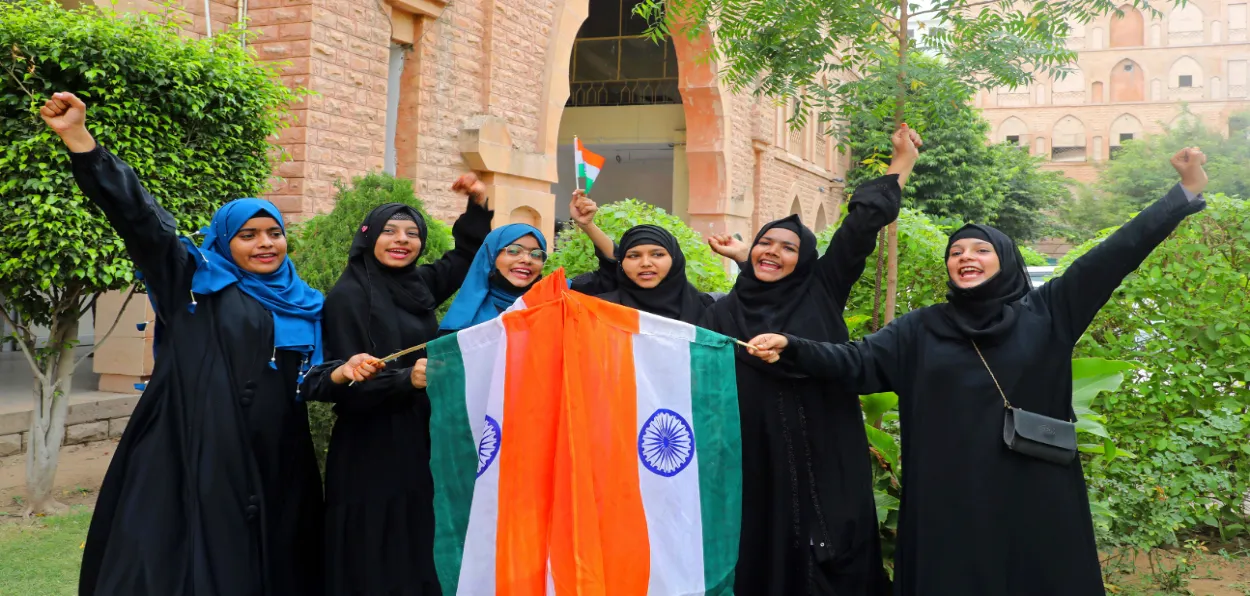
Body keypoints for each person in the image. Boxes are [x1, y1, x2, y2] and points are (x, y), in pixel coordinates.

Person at [744, 148, 1211, 595]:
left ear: (1004, 259)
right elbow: (855, 361)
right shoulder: (921, 328)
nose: (965, 257)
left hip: (1031, 488)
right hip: (947, 496)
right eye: (956, 251)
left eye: (980, 250)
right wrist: (793, 346)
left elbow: (1114, 255)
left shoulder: (1048, 313)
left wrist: (1183, 193)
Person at [41, 91, 379, 596]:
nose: (265, 244)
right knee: (192, 558)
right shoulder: (194, 284)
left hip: (278, 453)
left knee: (275, 560)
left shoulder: (306, 301)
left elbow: (308, 381)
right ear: (225, 242)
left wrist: (340, 371)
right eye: (248, 235)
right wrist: (81, 141)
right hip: (194, 442)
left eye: (273, 233)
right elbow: (141, 220)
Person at [703, 126, 921, 595]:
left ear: (804, 261)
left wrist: (900, 165)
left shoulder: (822, 289)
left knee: (831, 541)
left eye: (788, 247)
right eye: (766, 243)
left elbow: (859, 228)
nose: (773, 253)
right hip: (755, 451)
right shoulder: (725, 310)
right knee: (761, 543)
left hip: (824, 441)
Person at [298, 177, 491, 594]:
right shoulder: (349, 296)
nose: (402, 240)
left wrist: (477, 206)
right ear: (368, 237)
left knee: (414, 530)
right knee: (376, 537)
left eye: (413, 233)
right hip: (371, 441)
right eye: (389, 231)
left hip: (417, 431)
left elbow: (464, 260)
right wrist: (407, 378)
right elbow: (345, 380)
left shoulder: (416, 284)